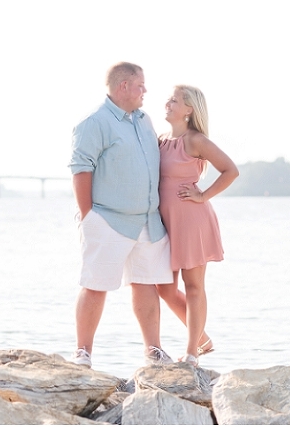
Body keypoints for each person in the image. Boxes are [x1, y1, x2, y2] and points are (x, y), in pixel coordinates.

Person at [69, 62, 174, 369]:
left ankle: (153, 350)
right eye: (140, 85)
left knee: (146, 284)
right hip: (108, 220)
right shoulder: (94, 122)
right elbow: (80, 169)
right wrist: (89, 217)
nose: (145, 91)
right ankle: (83, 353)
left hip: (148, 221)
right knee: (95, 285)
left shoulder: (144, 120)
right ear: (123, 86)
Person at [156, 85, 239, 367]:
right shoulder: (161, 140)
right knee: (164, 289)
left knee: (193, 287)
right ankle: (202, 338)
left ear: (189, 110)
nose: (168, 103)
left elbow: (231, 170)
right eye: (169, 99)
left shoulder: (196, 140)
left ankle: (192, 352)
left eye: (174, 100)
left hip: (192, 221)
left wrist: (203, 195)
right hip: (163, 222)